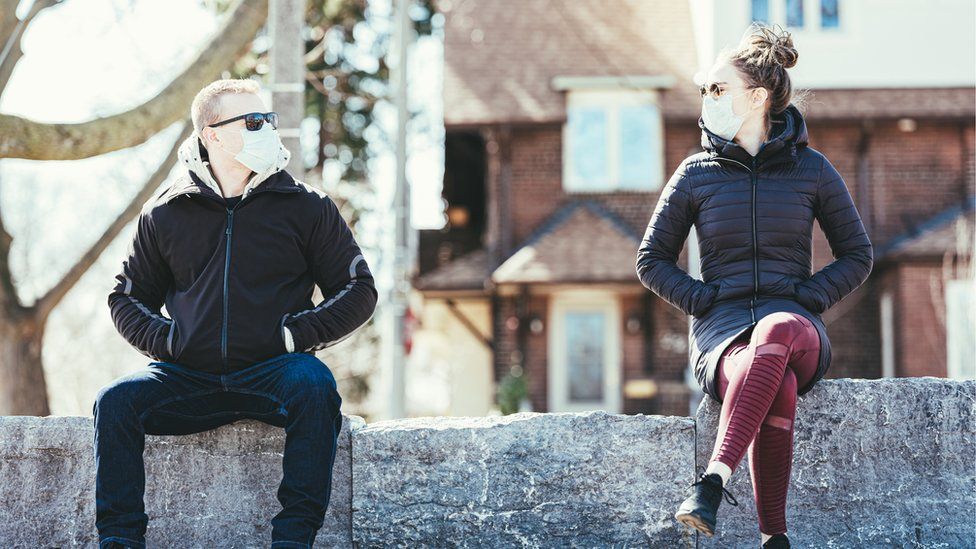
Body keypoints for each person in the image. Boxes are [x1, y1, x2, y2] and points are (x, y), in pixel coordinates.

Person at [93, 78, 378, 549]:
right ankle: (120, 541)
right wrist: (168, 342)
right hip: (187, 377)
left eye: (268, 119)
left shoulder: (307, 208)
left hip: (275, 372)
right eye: (252, 121)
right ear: (212, 135)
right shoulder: (164, 212)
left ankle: (293, 539)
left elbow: (358, 289)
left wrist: (294, 336)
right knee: (116, 401)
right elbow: (125, 297)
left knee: (315, 386)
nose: (267, 129)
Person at [635, 23, 873, 548]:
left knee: (779, 325)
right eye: (705, 88)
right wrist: (705, 300)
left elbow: (858, 255)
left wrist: (808, 297)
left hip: (795, 324)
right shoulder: (695, 174)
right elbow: (650, 260)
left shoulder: (813, 170)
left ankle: (713, 482)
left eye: (717, 88)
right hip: (724, 335)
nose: (707, 98)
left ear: (758, 96)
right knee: (776, 383)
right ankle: (775, 537)